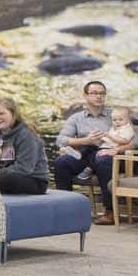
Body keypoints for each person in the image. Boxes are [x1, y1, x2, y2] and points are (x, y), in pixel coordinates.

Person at [53, 80, 123, 220]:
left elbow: (132, 138)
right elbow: (60, 140)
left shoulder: (115, 116)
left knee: (102, 159)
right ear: (85, 95)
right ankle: (66, 209)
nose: (99, 96)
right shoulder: (76, 118)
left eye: (102, 93)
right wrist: (86, 140)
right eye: (94, 93)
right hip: (85, 154)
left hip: (107, 154)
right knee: (62, 162)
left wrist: (116, 148)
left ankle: (110, 212)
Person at [0, 98, 48, 195]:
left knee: (6, 178)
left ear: (13, 114)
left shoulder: (26, 135)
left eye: (1, 113)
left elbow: (24, 168)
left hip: (33, 180)